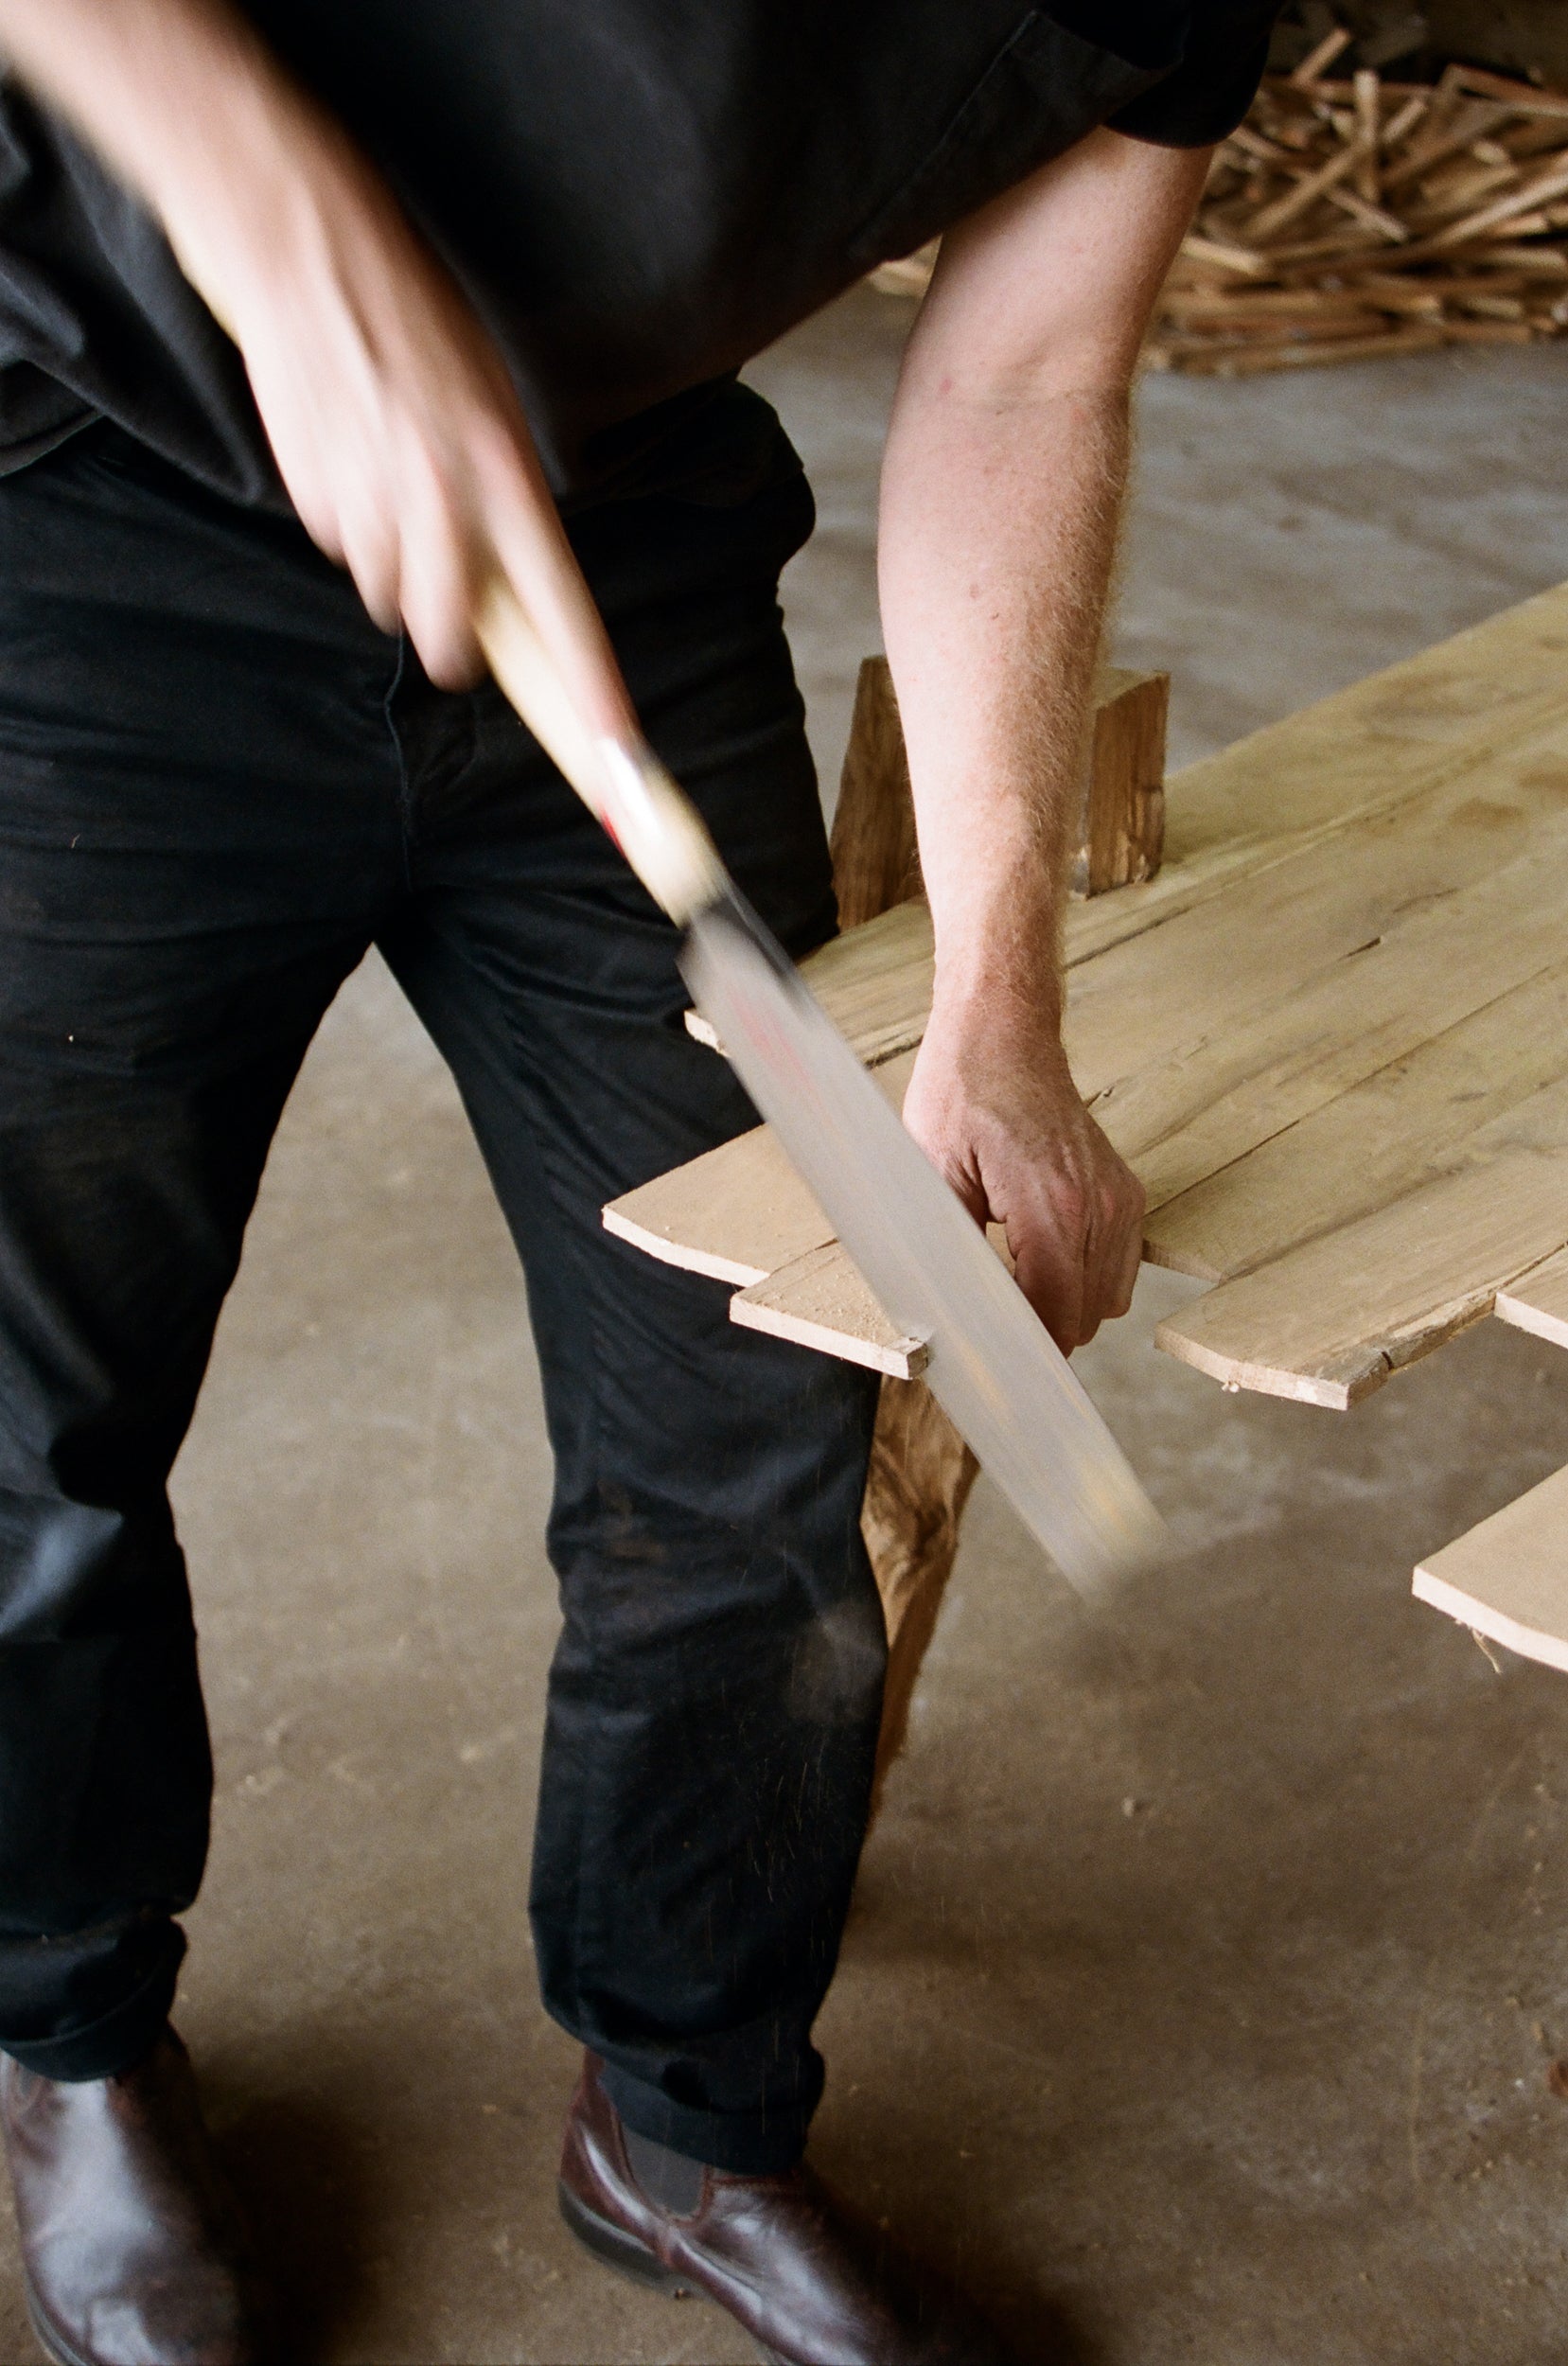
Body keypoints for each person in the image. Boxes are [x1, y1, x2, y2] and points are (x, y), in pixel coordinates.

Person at [0, 4, 1281, 2360]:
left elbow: (1018, 384)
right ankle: (68, 2038)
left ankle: (687, 2099)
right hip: (86, 489)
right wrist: (297, 244)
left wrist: (999, 996)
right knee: (34, 1435)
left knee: (756, 1393)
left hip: (612, 514)